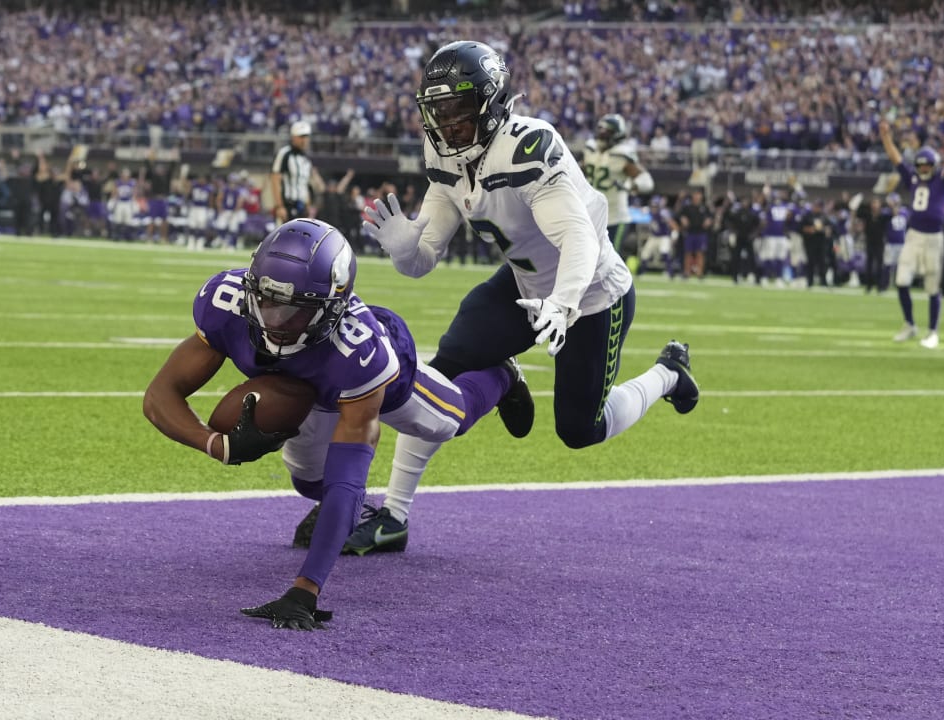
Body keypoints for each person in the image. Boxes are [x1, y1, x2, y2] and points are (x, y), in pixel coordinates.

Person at [341, 41, 699, 555]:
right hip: (522, 285)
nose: (446, 125)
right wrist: (404, 250)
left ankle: (668, 374)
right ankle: (395, 514)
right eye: (437, 112)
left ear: (490, 105)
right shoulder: (444, 153)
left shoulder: (528, 146)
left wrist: (565, 303)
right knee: (440, 377)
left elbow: (579, 236)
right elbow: (424, 258)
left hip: (591, 293)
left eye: (457, 113)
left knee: (580, 429)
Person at [143, 218, 530, 630]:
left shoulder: (360, 354)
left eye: (294, 309)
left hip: (363, 382)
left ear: (332, 306)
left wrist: (305, 588)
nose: (273, 318)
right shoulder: (227, 302)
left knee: (449, 420)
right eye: (266, 299)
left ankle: (502, 376)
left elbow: (349, 478)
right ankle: (352, 516)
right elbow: (159, 396)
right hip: (301, 386)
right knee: (309, 483)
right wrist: (213, 444)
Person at [879, 120, 944, 349]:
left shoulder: (943, 180)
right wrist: (886, 136)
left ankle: (933, 331)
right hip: (914, 236)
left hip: (934, 238)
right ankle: (909, 323)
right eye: (921, 165)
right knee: (902, 280)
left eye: (927, 166)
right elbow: (895, 158)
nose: (923, 169)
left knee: (932, 286)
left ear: (934, 165)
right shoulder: (912, 177)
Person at [582, 114, 649, 260]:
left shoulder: (622, 154)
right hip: (590, 213)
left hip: (615, 216)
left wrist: (634, 185)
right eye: (601, 130)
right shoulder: (590, 149)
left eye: (607, 131)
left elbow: (646, 180)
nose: (602, 134)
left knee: (609, 261)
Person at [271, 121, 321, 223]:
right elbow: (275, 180)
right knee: (284, 237)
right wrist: (280, 206)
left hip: (301, 206)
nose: (305, 140)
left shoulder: (306, 159)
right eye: (301, 136)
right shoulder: (285, 153)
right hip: (287, 204)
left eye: (306, 136)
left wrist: (308, 206)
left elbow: (304, 184)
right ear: (293, 137)